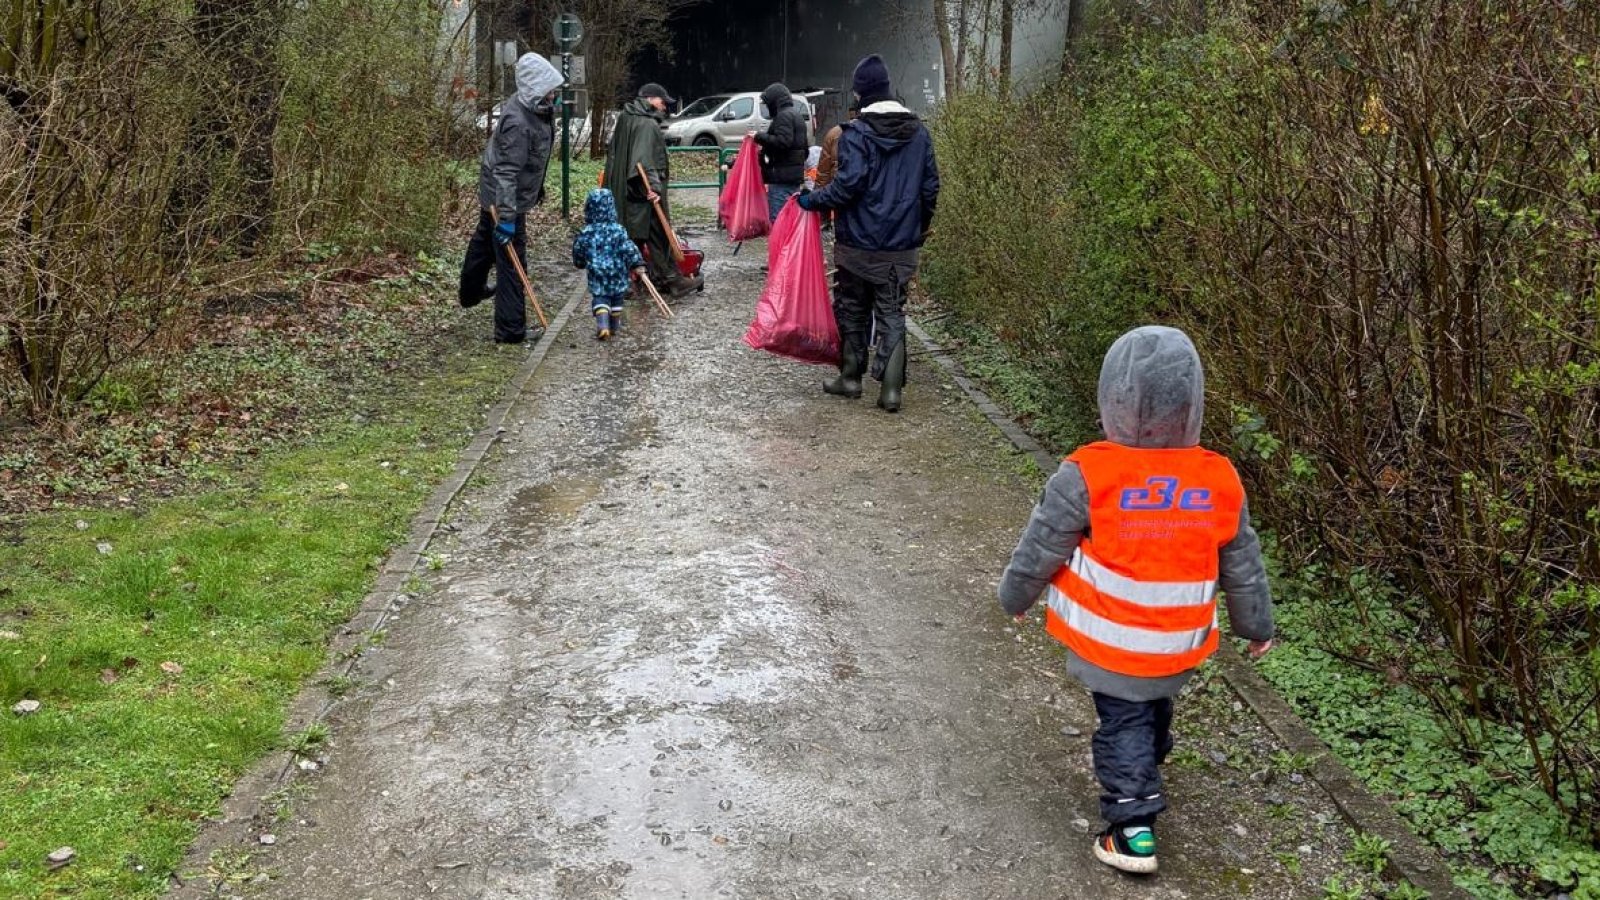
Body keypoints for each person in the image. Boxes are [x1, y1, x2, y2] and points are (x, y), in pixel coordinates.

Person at [995, 326, 1276, 875]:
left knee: (1121, 721)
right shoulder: (1217, 478)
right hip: (1176, 644)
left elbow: (1044, 542)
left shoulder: (1089, 472)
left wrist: (1015, 595)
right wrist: (1256, 625)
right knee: (1151, 708)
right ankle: (1146, 761)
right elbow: (1242, 561)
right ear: (1192, 401)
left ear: (1112, 399)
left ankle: (1131, 826)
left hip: (1111, 642)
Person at [797, 55, 939, 413]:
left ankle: (851, 378)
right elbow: (930, 188)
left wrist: (811, 201)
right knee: (892, 311)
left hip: (858, 243)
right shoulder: (919, 132)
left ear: (862, 95)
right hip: (900, 246)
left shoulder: (856, 134)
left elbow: (848, 187)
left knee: (852, 308)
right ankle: (891, 392)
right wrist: (918, 228)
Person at [459, 52, 562, 344]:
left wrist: (535, 188)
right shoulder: (518, 121)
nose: (554, 95)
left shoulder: (535, 109)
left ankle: (471, 291)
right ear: (535, 89)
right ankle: (510, 330)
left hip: (505, 193)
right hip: (504, 198)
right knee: (512, 260)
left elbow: (529, 160)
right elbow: (507, 172)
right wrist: (506, 218)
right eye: (549, 90)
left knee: (484, 241)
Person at [606, 82, 703, 297]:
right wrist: (654, 189)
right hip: (644, 191)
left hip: (625, 190)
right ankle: (669, 279)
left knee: (633, 235)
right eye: (662, 101)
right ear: (649, 99)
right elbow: (643, 161)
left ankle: (634, 282)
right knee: (657, 232)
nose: (664, 106)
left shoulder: (626, 118)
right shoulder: (648, 125)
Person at [572, 188, 645, 341]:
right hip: (617, 272)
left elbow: (579, 249)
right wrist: (636, 263)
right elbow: (628, 248)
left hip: (597, 273)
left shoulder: (587, 232)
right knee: (617, 298)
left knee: (600, 298)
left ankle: (603, 325)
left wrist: (579, 262)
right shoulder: (619, 230)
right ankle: (614, 327)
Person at [750, 82, 808, 222]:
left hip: (781, 179)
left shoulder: (783, 116)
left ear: (775, 102)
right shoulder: (797, 116)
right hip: (793, 178)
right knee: (790, 219)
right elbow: (805, 150)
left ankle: (780, 244)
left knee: (778, 221)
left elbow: (783, 142)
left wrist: (758, 136)